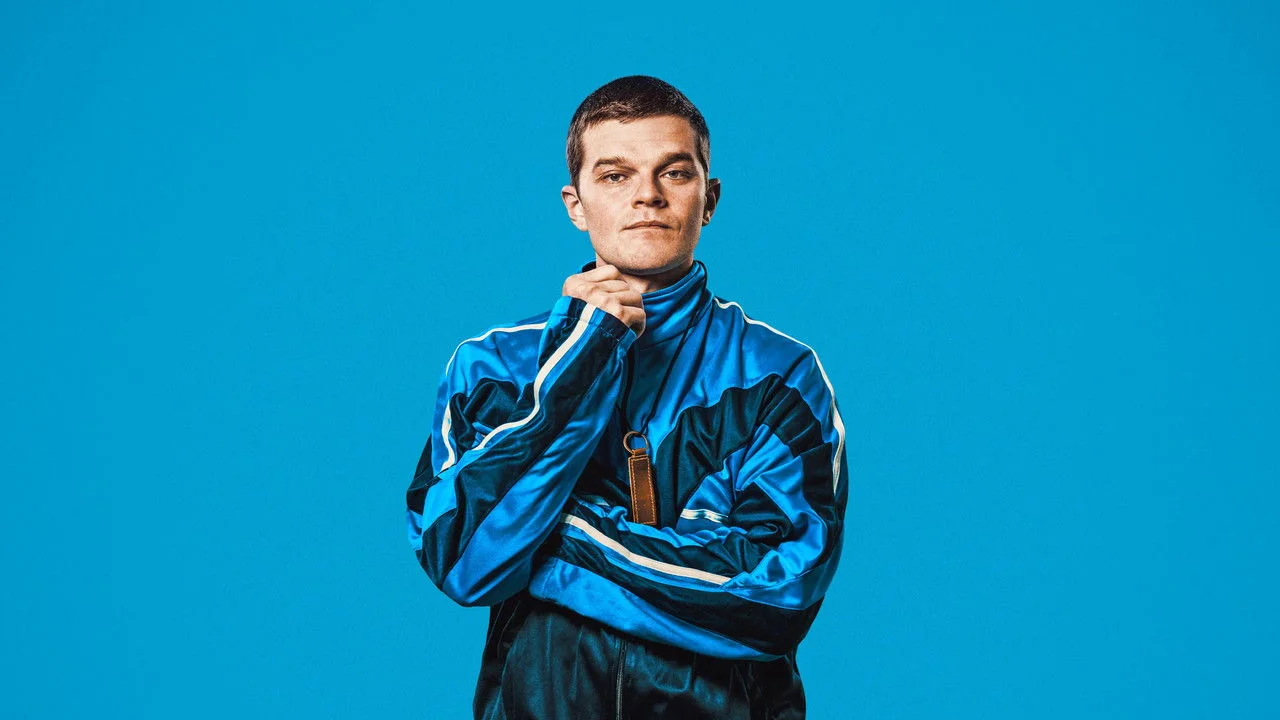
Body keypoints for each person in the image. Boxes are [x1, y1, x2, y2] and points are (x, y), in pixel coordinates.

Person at [406, 75, 849, 719]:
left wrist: (541, 533)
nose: (647, 195)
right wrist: (579, 359)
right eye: (615, 175)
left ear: (709, 198)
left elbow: (776, 597)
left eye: (675, 173)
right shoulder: (493, 367)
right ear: (576, 205)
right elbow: (465, 561)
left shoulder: (777, 374)